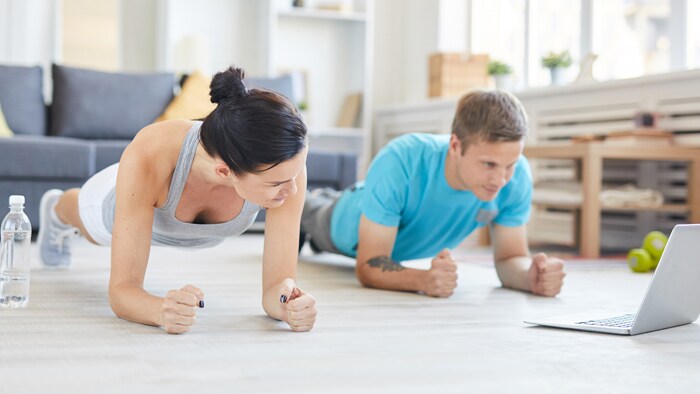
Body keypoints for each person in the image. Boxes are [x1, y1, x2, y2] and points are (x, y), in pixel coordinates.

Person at [37, 66, 317, 334]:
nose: (293, 190)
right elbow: (122, 292)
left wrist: (287, 304)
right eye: (277, 184)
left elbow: (274, 289)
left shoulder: (284, 166)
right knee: (88, 224)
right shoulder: (153, 150)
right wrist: (160, 310)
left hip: (163, 203)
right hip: (112, 201)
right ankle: (56, 209)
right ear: (225, 172)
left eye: (293, 177)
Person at [300, 90, 565, 298]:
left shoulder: (516, 177)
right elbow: (369, 265)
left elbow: (509, 259)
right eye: (488, 164)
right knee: (304, 207)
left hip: (393, 239)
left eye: (510, 164)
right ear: (455, 145)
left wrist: (530, 277)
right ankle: (316, 204)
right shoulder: (401, 158)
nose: (501, 179)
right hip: (341, 222)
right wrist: (423, 280)